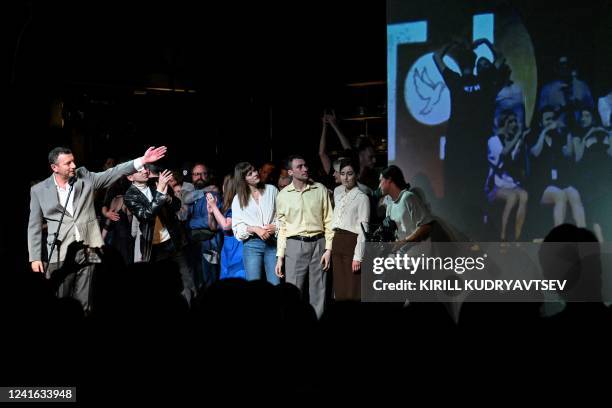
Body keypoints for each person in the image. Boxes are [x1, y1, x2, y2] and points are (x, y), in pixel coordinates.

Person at [28, 145, 167, 313]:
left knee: (85, 301)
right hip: (60, 251)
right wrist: (35, 257)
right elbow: (34, 225)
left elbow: (113, 172)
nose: (73, 166)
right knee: (60, 300)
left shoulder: (84, 177)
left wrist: (142, 161)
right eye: (68, 163)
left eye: (73, 161)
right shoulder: (38, 190)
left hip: (88, 247)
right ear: (54, 167)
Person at [124, 166, 196, 305]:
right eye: (139, 171)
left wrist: (167, 197)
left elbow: (176, 205)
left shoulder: (155, 183)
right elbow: (146, 215)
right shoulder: (130, 195)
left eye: (145, 168)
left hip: (172, 240)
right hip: (154, 247)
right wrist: (160, 191)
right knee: (163, 286)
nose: (145, 171)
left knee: (186, 280)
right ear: (130, 177)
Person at [275, 155, 334, 318]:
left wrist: (328, 249)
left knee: (319, 290)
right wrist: (280, 256)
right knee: (293, 291)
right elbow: (282, 228)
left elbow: (329, 220)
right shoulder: (283, 195)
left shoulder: (320, 189)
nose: (305, 169)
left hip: (319, 243)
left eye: (305, 165)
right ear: (290, 172)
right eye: (300, 166)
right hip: (294, 245)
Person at [231, 162, 279, 284]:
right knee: (253, 285)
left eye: (254, 170)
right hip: (252, 244)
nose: (255, 174)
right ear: (243, 179)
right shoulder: (238, 199)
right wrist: (254, 229)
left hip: (272, 241)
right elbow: (237, 228)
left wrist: (276, 227)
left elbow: (282, 216)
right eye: (249, 174)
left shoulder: (271, 190)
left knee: (275, 283)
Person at [485, 110, 529, 241]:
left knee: (524, 195)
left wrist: (520, 141)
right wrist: (517, 137)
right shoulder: (493, 141)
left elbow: (514, 160)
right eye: (511, 122)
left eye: (515, 121)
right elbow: (504, 154)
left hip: (511, 184)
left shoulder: (513, 141)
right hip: (495, 186)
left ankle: (517, 236)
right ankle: (503, 236)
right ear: (503, 125)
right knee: (512, 197)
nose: (514, 125)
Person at [331, 158, 370, 300]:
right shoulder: (339, 195)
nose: (345, 178)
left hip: (351, 243)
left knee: (352, 289)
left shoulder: (362, 198)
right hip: (337, 242)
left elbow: (363, 229)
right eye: (342, 173)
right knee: (339, 288)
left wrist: (358, 256)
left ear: (357, 175)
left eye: (349, 173)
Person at [379, 165, 433, 242]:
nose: (379, 185)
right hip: (401, 253)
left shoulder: (408, 198)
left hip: (417, 253)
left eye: (381, 180)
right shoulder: (389, 206)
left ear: (389, 179)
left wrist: (404, 241)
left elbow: (426, 226)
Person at [206, 175, 246, 280]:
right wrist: (210, 212)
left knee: (237, 277)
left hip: (237, 247)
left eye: (224, 184)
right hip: (227, 249)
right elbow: (213, 227)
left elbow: (226, 226)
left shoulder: (237, 205)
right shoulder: (224, 205)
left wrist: (214, 207)